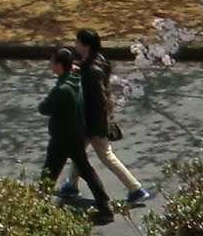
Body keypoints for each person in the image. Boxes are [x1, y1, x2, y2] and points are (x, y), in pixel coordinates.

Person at [74, 27, 152, 209]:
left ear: (85, 45)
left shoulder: (92, 70)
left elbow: (99, 100)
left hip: (94, 122)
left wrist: (98, 126)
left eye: (78, 42)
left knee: (107, 156)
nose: (75, 45)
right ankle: (70, 185)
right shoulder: (98, 62)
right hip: (94, 120)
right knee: (77, 152)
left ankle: (136, 189)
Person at [41, 46, 113, 224]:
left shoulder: (61, 89)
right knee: (86, 170)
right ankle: (105, 207)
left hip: (62, 137)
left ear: (59, 65)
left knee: (49, 172)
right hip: (76, 134)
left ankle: (38, 207)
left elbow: (43, 108)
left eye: (52, 62)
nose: (50, 64)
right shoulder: (75, 79)